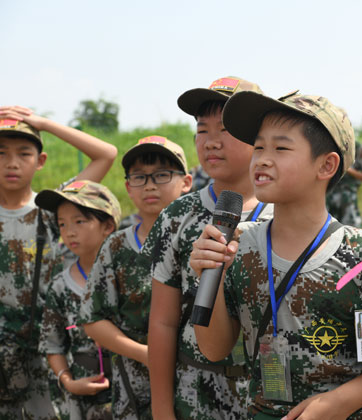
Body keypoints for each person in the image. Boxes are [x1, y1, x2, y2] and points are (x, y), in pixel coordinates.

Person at [190, 90, 362, 419]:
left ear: (326, 165)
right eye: (258, 147)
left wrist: (339, 402)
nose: (262, 159)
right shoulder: (236, 246)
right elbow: (214, 348)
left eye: (281, 148)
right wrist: (209, 275)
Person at [144, 76, 273, 420]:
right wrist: (161, 410)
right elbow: (163, 322)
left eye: (226, 129)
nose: (211, 142)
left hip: (275, 395)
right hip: (198, 396)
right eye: (203, 130)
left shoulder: (286, 212)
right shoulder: (177, 217)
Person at [0, 105, 117, 419]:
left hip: (46, 353)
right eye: (1, 153)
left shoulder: (53, 211)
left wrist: (45, 124)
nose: (11, 163)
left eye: (23, 153)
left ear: (40, 162)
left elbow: (106, 154)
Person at [80, 136, 193, 419]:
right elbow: (93, 320)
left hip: (199, 387)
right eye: (140, 177)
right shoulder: (116, 247)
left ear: (186, 182)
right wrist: (147, 354)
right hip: (135, 388)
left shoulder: (202, 240)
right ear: (128, 187)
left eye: (162, 175)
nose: (150, 185)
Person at [37, 181, 121, 420]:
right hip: (82, 404)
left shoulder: (128, 277)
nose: (69, 231)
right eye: (62, 224)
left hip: (132, 394)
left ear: (107, 226)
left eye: (79, 221)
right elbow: (52, 344)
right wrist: (68, 382)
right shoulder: (61, 287)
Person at [326, 140, 362, 227]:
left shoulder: (356, 147)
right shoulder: (326, 143)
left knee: (352, 237)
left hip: (348, 205)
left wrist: (348, 169)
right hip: (328, 203)